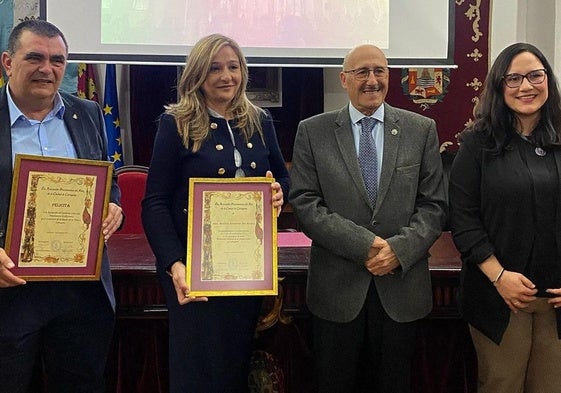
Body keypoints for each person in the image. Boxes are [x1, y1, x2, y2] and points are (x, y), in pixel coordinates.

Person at [288, 44, 447, 393]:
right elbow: (305, 204)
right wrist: (366, 245)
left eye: (380, 71)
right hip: (336, 292)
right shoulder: (313, 131)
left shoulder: (421, 130)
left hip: (400, 289)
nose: (372, 80)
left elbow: (434, 206)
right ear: (344, 79)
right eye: (362, 72)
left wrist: (398, 250)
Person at [141, 34, 289, 393]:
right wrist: (175, 265)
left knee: (235, 368)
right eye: (215, 68)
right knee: (198, 372)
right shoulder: (175, 123)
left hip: (246, 271)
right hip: (194, 274)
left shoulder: (259, 120)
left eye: (233, 67)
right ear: (198, 74)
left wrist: (279, 193)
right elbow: (155, 202)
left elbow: (282, 176)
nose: (226, 76)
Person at [0, 20, 123, 393]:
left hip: (80, 291)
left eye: (58, 60)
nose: (47, 68)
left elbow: (108, 180)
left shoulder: (86, 113)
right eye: (34, 57)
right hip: (9, 290)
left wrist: (113, 206)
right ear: (7, 62)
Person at [449, 42, 561, 393]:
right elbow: (463, 220)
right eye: (513, 78)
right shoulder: (476, 144)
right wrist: (499, 277)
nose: (526, 86)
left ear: (548, 80)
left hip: (555, 301)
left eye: (535, 75)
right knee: (503, 385)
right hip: (498, 297)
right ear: (498, 86)